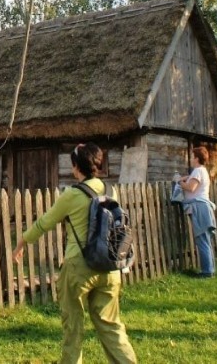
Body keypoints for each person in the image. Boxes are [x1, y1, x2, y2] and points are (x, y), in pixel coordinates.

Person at [13, 143, 136, 364]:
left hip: (79, 267)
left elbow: (45, 222)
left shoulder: (72, 194)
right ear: (98, 164)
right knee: (112, 325)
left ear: (75, 167)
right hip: (109, 266)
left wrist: (22, 241)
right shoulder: (109, 190)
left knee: (74, 328)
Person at [177, 146, 217, 277]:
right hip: (203, 206)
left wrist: (179, 182)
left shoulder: (198, 171)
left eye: (192, 156)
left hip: (199, 206)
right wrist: (185, 177)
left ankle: (207, 272)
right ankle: (210, 270)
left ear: (197, 158)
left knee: (202, 239)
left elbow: (191, 188)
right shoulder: (201, 171)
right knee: (205, 239)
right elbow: (191, 180)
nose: (191, 158)